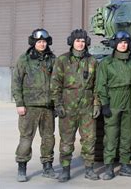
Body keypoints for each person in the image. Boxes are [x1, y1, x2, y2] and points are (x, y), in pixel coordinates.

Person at [51, 29, 100, 182]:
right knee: (66, 139)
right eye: (78, 41)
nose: (80, 44)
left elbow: (98, 85)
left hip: (87, 107)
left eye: (83, 41)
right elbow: (55, 84)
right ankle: (65, 169)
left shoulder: (92, 61)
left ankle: (89, 169)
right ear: (72, 42)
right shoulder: (63, 60)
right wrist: (57, 104)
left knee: (89, 139)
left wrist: (97, 104)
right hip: (68, 107)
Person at [12, 28, 56, 182]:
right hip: (29, 106)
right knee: (26, 138)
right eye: (39, 42)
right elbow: (16, 82)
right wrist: (19, 103)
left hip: (48, 106)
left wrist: (56, 103)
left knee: (49, 138)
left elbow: (57, 82)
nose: (42, 44)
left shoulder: (52, 59)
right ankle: (22, 167)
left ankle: (47, 166)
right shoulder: (24, 59)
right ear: (34, 43)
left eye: (44, 41)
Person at [96, 31, 131, 180]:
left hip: (129, 99)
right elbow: (101, 84)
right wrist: (105, 104)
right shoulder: (106, 63)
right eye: (120, 42)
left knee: (127, 135)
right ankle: (109, 167)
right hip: (113, 99)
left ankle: (125, 165)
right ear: (115, 44)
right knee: (111, 135)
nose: (123, 45)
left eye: (125, 42)